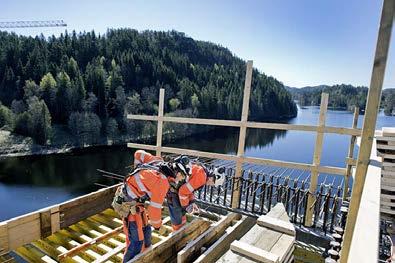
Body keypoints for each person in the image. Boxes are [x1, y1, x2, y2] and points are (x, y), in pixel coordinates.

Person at [113, 150, 191, 261]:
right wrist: (159, 227)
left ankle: (144, 258)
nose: (180, 180)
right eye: (182, 177)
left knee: (147, 232)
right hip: (127, 205)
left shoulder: (158, 161)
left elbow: (138, 153)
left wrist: (137, 169)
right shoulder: (162, 183)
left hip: (136, 202)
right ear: (178, 172)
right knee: (136, 243)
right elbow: (154, 211)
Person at [168, 160, 226, 230]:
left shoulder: (203, 173)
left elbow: (189, 189)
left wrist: (192, 202)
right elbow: (183, 192)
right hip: (172, 188)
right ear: (211, 178)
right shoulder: (201, 179)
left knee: (182, 213)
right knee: (177, 215)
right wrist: (186, 206)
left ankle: (181, 229)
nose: (211, 185)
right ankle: (176, 235)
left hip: (177, 187)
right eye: (213, 184)